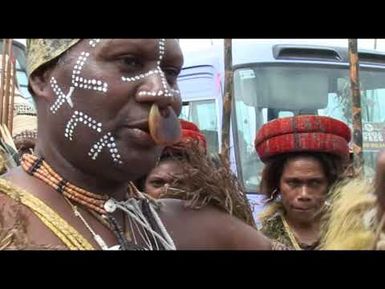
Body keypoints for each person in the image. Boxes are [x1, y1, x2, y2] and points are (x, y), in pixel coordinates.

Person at [0, 39, 273, 250]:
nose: (164, 93)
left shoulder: (195, 228)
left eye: (170, 73)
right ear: (44, 77)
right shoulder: (8, 221)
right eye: (129, 62)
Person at [255, 115, 351, 250]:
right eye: (293, 183)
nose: (304, 194)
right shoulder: (261, 240)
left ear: (330, 184)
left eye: (315, 183)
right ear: (277, 184)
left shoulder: (351, 231)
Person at [142, 119, 256, 227]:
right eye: (157, 183)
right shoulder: (132, 230)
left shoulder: (223, 230)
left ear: (199, 187)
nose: (167, 190)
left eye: (179, 183)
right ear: (141, 188)